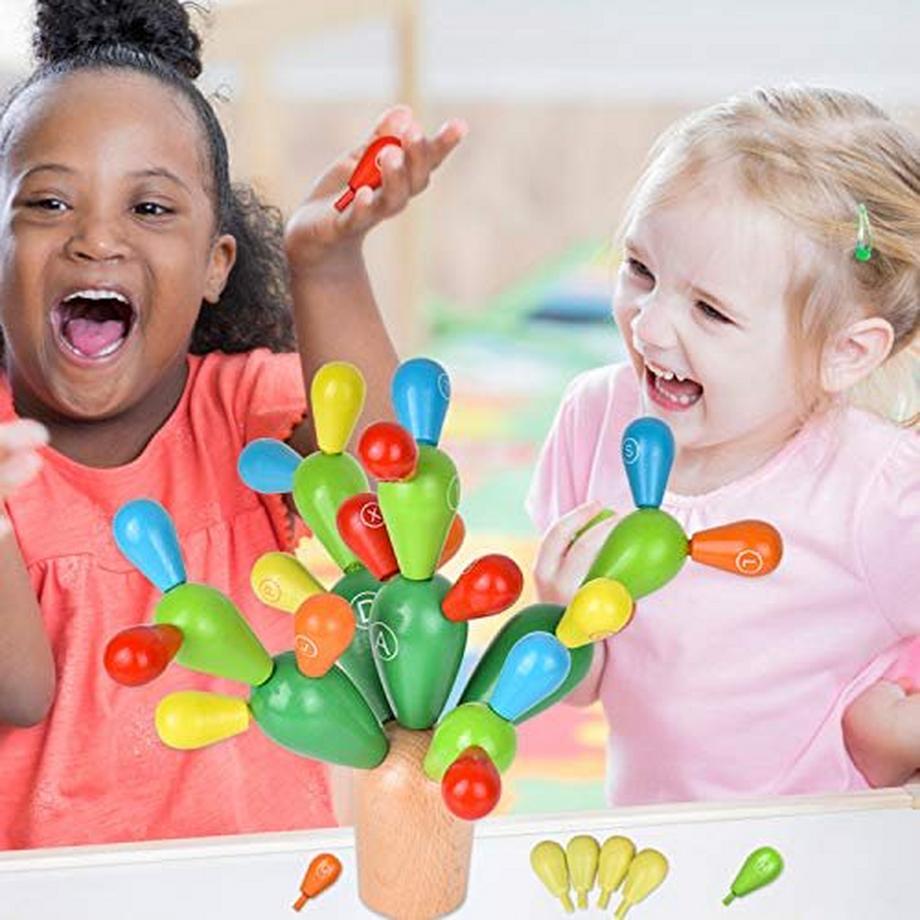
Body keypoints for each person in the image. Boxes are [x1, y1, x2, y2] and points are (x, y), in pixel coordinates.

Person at [0, 0, 465, 849]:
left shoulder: (243, 414)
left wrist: (325, 268)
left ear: (218, 265)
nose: (95, 239)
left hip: (264, 884)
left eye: (150, 210)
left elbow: (390, 502)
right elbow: (18, 692)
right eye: (48, 204)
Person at [527, 85, 919, 807]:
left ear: (844, 352)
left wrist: (899, 734)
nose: (649, 326)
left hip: (821, 865)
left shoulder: (878, 493)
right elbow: (581, 693)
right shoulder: (594, 420)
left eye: (710, 310)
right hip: (653, 846)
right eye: (640, 270)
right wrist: (564, 615)